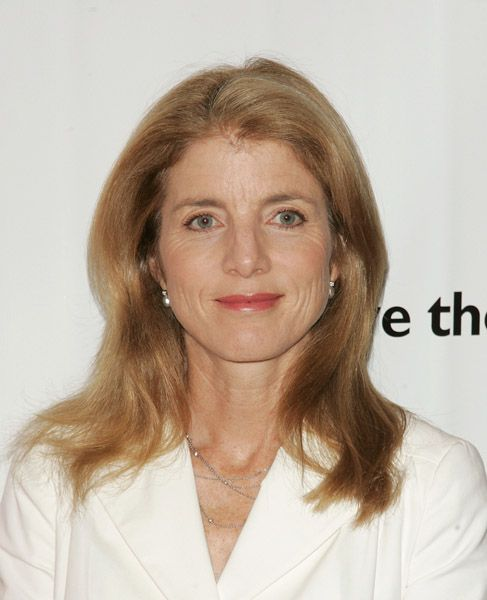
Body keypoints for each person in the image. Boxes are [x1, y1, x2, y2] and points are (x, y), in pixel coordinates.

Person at [0, 57, 486, 600]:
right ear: (152, 260)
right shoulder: (54, 475)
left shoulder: (428, 483)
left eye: (285, 217)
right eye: (204, 221)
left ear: (340, 252)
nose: (246, 259)